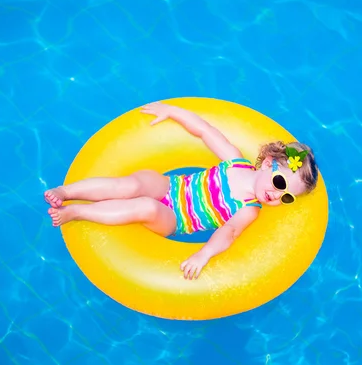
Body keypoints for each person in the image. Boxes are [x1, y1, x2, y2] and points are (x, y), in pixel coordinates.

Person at [45, 102, 319, 280]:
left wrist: (204, 254)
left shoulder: (249, 209)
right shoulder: (235, 161)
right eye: (280, 184)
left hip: (175, 219)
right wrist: (173, 112)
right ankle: (66, 191)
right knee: (132, 185)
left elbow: (229, 232)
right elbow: (205, 132)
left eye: (286, 197)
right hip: (172, 186)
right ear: (268, 163)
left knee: (147, 206)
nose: (276, 195)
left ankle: (78, 211)